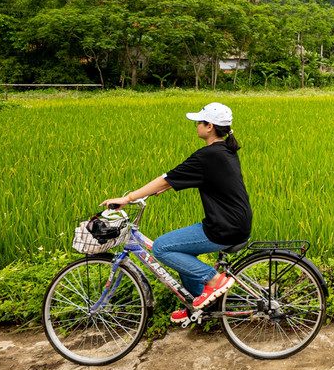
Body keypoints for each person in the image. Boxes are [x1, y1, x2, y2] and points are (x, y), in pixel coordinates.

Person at [102, 102, 252, 323]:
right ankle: (195, 305)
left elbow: (166, 177)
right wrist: (166, 186)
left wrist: (128, 198)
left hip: (224, 227)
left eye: (198, 122)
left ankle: (214, 280)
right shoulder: (223, 151)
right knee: (181, 252)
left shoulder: (208, 155)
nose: (195, 126)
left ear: (209, 126)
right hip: (234, 222)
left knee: (163, 247)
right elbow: (182, 178)